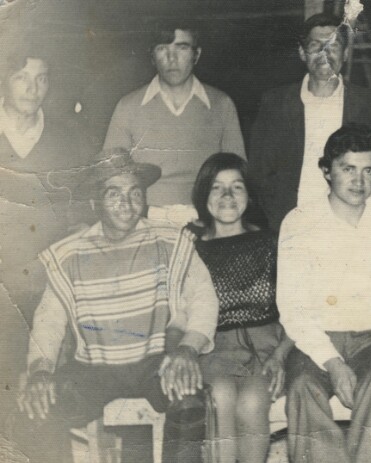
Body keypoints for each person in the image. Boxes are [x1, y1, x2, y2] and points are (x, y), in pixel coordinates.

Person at [12, 151, 219, 462]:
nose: (127, 203)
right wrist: (40, 371)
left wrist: (188, 348)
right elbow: (48, 322)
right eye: (114, 194)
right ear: (95, 201)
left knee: (188, 401)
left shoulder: (170, 242)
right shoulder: (69, 254)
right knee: (37, 408)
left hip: (155, 363)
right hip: (94, 370)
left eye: (135, 193)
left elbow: (203, 297)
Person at [277, 125, 371, 463]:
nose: (359, 181)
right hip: (318, 336)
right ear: (326, 171)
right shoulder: (300, 221)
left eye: (369, 171)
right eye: (348, 169)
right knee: (303, 387)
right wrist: (332, 362)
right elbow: (292, 308)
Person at [185, 153, 294, 463]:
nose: (227, 196)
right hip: (214, 350)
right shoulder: (191, 248)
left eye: (237, 186)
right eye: (217, 187)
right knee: (219, 396)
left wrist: (281, 355)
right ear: (203, 195)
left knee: (252, 402)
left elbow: (300, 308)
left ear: (249, 194)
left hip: (267, 350)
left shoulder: (272, 243)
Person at [249, 13, 371, 234]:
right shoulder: (275, 104)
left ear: (346, 53)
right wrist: (278, 219)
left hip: (353, 227)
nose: (324, 54)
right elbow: (259, 173)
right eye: (315, 46)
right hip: (291, 226)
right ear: (302, 53)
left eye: (333, 46)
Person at [0, 47, 93, 389]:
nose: (32, 88)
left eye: (41, 79)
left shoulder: (67, 138)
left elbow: (82, 208)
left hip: (47, 281)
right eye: (22, 78)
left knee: (46, 382)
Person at [103, 22, 245, 222]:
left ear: (196, 54)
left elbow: (237, 177)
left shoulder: (222, 104)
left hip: (208, 220)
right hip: (145, 220)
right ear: (152, 56)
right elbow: (110, 178)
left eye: (182, 47)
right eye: (162, 49)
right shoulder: (127, 107)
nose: (172, 58)